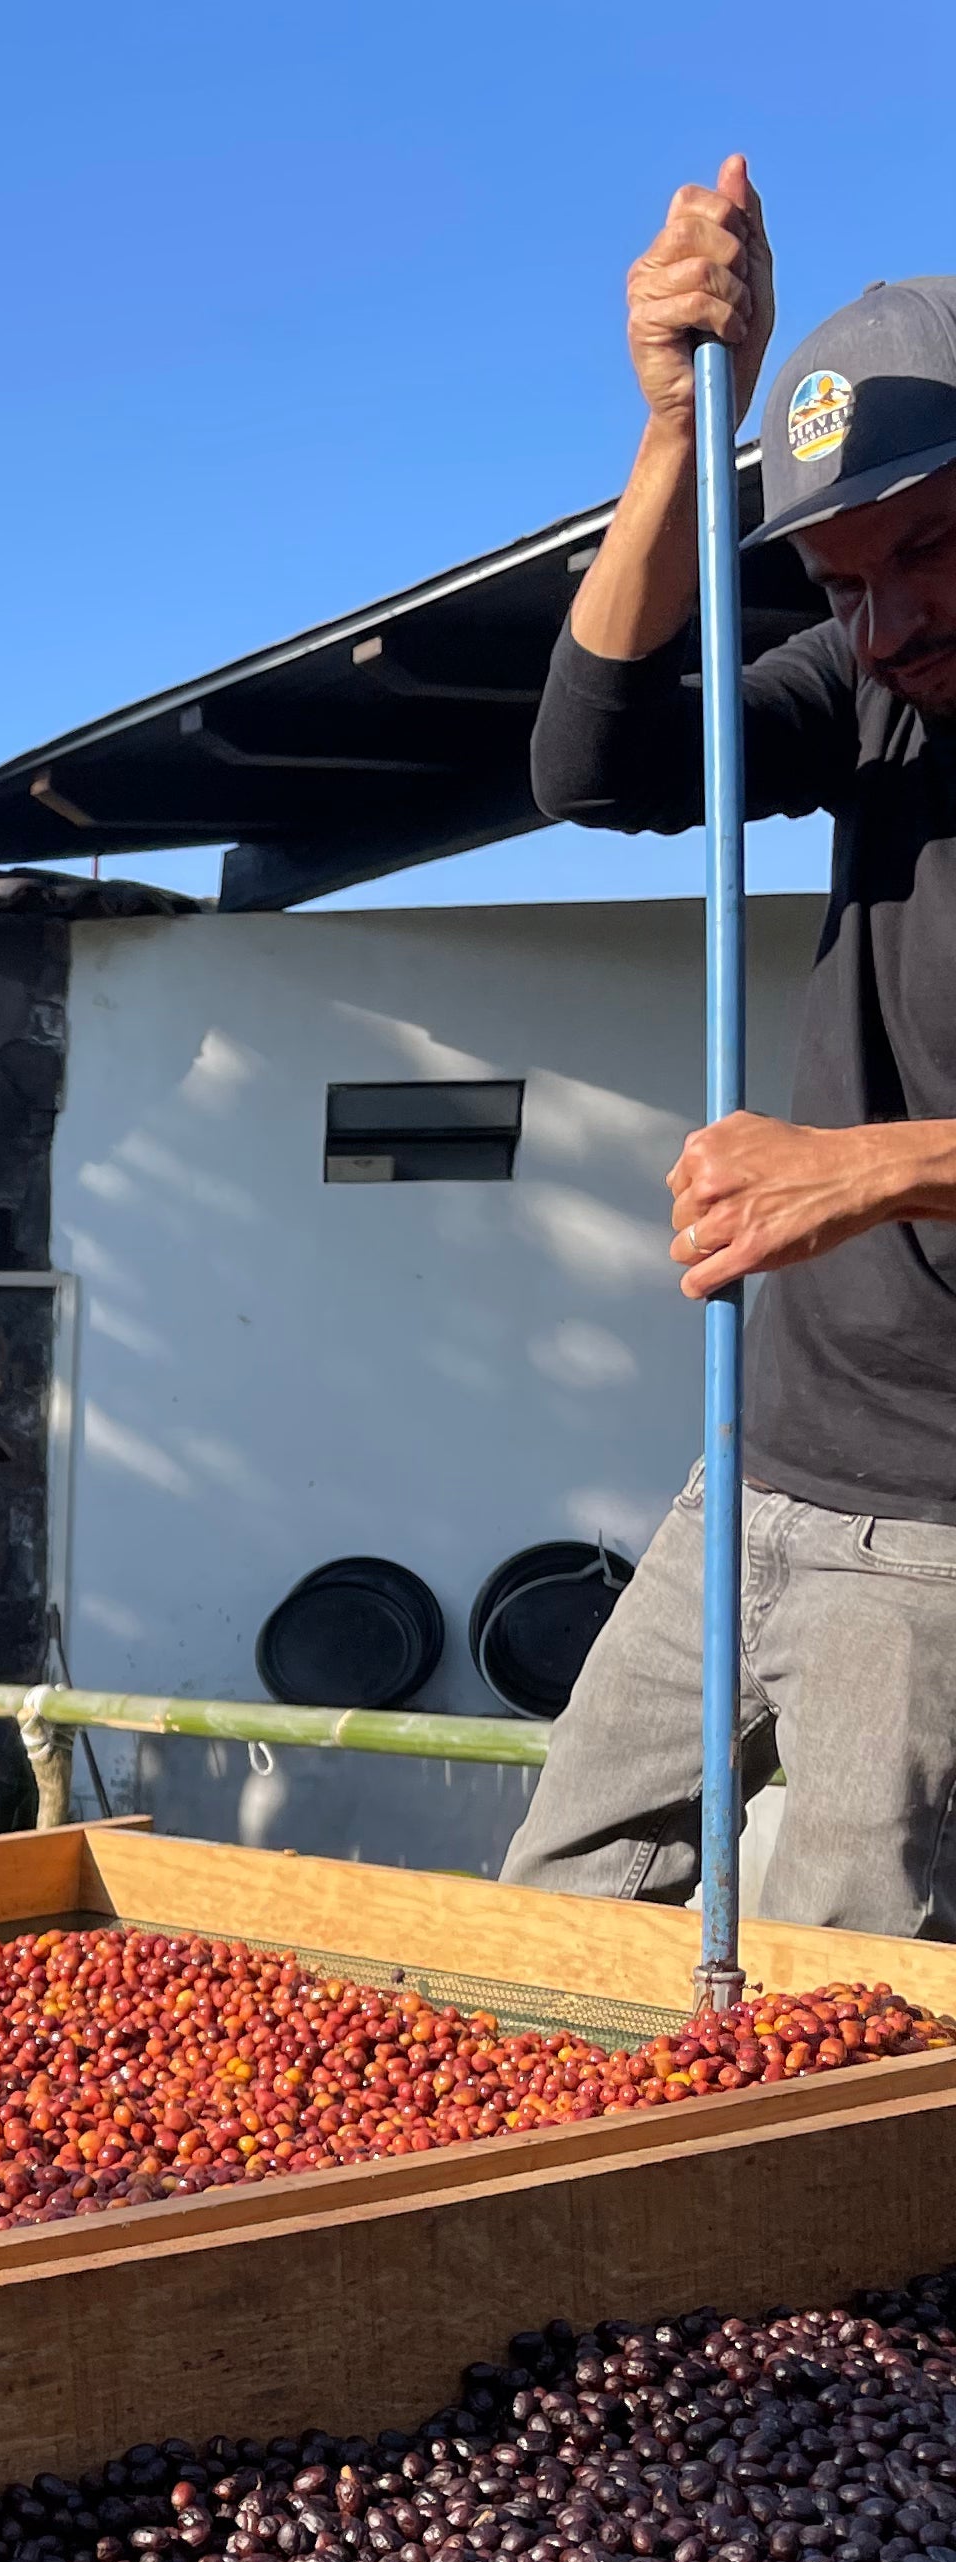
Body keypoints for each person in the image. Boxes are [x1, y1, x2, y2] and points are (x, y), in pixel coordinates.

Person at [503, 159, 956, 1935]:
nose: (893, 621)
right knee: (549, 1919)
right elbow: (596, 764)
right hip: (758, 1461)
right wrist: (681, 434)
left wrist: (870, 1166)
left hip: (937, 1535)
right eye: (848, 582)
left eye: (928, 549)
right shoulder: (873, 696)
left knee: (852, 2039)